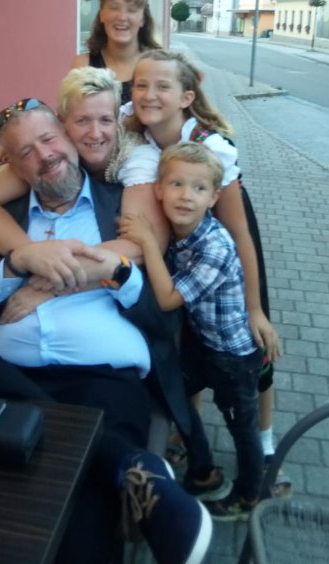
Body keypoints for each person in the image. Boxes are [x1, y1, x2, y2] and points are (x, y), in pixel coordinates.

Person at [0, 100, 211, 564]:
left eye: (49, 139)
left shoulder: (124, 205)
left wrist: (113, 272)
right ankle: (120, 460)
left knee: (84, 514)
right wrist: (17, 263)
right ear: (12, 168)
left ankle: (99, 453)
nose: (45, 155)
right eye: (26, 151)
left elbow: (164, 318)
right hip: (2, 377)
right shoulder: (5, 220)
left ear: (69, 137)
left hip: (101, 382)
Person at [120, 48, 287, 481]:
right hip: (182, 245)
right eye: (141, 85)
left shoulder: (211, 146)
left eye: (162, 86)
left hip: (226, 242)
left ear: (186, 97)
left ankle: (264, 443)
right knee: (190, 343)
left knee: (253, 345)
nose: (149, 94)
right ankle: (185, 434)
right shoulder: (130, 121)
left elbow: (239, 233)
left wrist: (254, 308)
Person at [120, 142, 269, 519]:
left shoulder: (214, 247)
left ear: (213, 197)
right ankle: (201, 466)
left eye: (199, 188)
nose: (186, 196)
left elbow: (168, 298)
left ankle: (249, 495)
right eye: (177, 184)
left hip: (234, 359)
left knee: (242, 428)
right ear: (158, 189)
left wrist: (147, 241)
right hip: (206, 347)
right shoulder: (181, 230)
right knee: (173, 391)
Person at [0, 68, 168, 286]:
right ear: (61, 123)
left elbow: (146, 245)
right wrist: (33, 255)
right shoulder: (50, 154)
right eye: (82, 120)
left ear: (116, 120)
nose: (95, 133)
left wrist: (52, 280)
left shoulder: (137, 158)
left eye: (106, 120)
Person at [72, 0, 162, 106]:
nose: (122, 17)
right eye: (114, 8)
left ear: (142, 19)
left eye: (131, 10)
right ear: (101, 14)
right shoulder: (83, 66)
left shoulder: (159, 66)